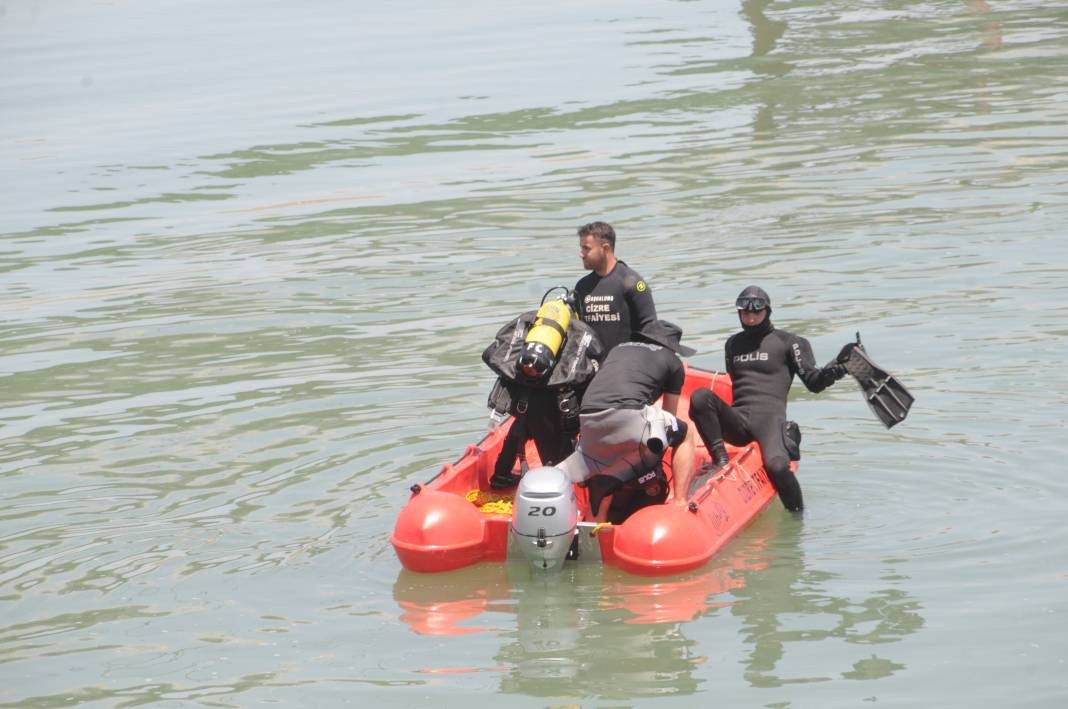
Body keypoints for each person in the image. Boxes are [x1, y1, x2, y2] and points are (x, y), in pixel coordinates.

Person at [688, 286, 857, 512]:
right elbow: (736, 383)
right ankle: (720, 460)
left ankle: (798, 517)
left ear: (767, 311)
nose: (750, 318)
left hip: (769, 421)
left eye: (756, 312)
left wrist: (838, 367)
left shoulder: (789, 342)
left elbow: (814, 382)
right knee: (700, 397)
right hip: (738, 419)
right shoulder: (732, 344)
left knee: (777, 467)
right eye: (745, 313)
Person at [556, 320, 698, 523]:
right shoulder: (673, 362)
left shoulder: (618, 349)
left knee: (604, 462)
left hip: (588, 417)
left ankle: (594, 520)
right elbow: (669, 414)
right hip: (628, 415)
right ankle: (681, 504)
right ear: (672, 346)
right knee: (685, 433)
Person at [482, 298, 604, 489]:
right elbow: (593, 366)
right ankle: (559, 485)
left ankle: (500, 476)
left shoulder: (528, 322)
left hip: (522, 398)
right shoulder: (578, 332)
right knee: (556, 456)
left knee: (517, 429)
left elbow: (492, 353)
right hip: (552, 405)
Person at [573, 221, 658, 355]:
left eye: (586, 248)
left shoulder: (633, 283)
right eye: (581, 248)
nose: (581, 254)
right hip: (594, 370)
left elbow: (651, 330)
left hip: (625, 367)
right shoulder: (582, 286)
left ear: (605, 248)